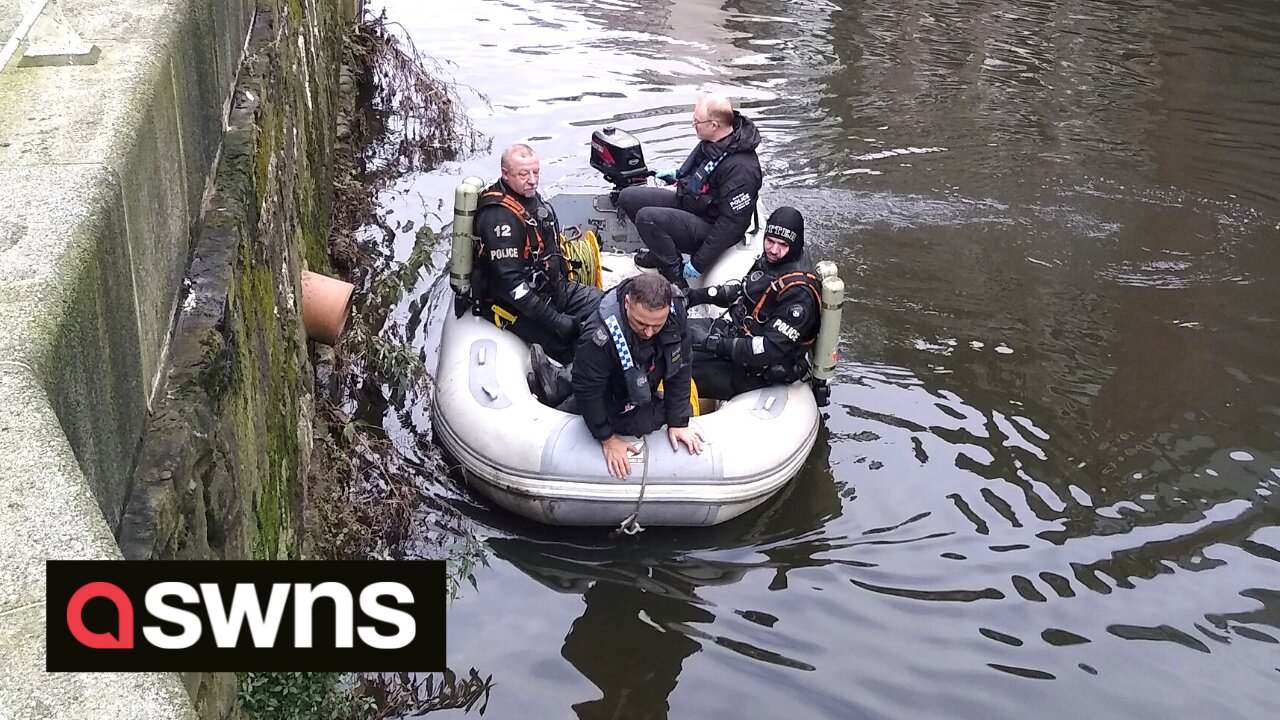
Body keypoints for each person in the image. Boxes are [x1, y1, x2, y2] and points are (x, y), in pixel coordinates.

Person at [530, 273, 704, 479]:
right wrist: (608, 439)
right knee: (649, 413)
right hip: (613, 394)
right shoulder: (601, 335)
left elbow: (681, 365)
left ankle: (559, 384)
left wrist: (679, 421)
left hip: (644, 373)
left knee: (682, 408)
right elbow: (588, 391)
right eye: (641, 323)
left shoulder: (676, 312)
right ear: (627, 303)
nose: (649, 332)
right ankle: (561, 395)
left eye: (656, 325)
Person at [471, 143, 602, 362]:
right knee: (575, 347)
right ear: (505, 174)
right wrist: (556, 321)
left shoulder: (526, 195)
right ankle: (561, 381)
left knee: (608, 304)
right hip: (518, 309)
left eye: (536, 172)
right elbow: (511, 286)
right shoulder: (499, 218)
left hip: (553, 289)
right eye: (523, 174)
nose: (532, 180)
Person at [616, 94, 763, 288]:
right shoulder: (715, 141)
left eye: (696, 121)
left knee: (647, 217)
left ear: (714, 125)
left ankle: (675, 278)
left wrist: (698, 262)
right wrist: (678, 175)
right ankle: (662, 254)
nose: (693, 124)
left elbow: (732, 225)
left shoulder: (742, 169)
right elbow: (701, 173)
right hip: (692, 203)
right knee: (629, 197)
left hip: (710, 224)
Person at [686, 206, 821, 400]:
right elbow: (743, 292)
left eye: (782, 244)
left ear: (795, 244)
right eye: (770, 241)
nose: (774, 250)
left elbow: (769, 349)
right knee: (671, 333)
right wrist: (696, 296)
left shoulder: (799, 293)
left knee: (677, 366)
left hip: (754, 370)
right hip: (734, 335)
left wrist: (714, 344)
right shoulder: (772, 261)